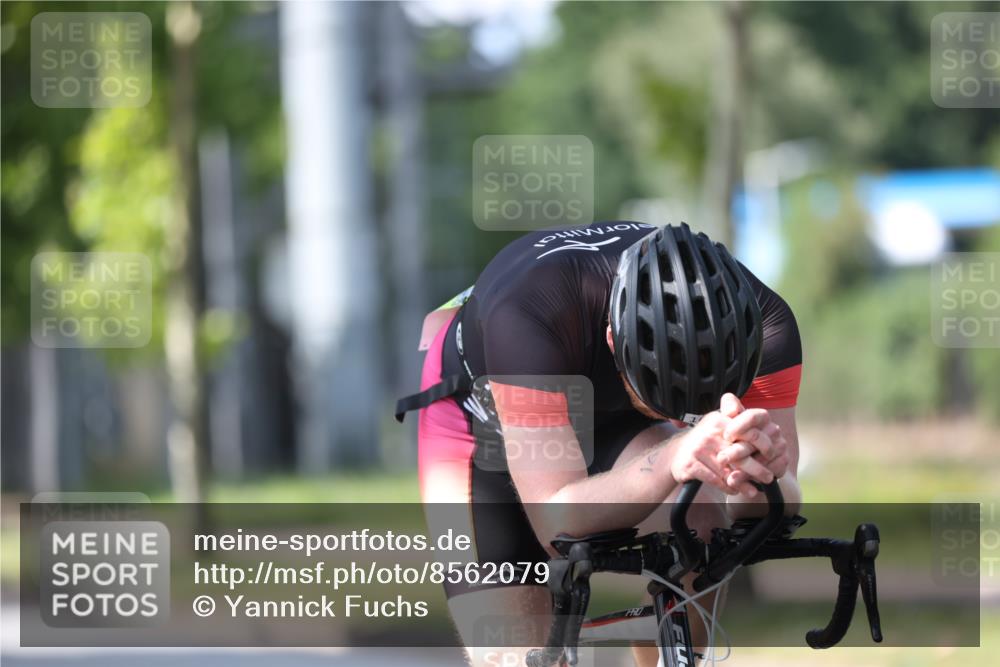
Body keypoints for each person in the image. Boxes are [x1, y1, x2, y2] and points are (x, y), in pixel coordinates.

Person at [396, 222, 803, 667]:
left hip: (607, 414)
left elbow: (766, 512)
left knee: (701, 522)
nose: (681, 419)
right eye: (663, 399)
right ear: (615, 341)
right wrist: (671, 454)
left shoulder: (767, 325)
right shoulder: (528, 315)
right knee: (509, 655)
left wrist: (760, 476)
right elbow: (559, 522)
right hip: (474, 421)